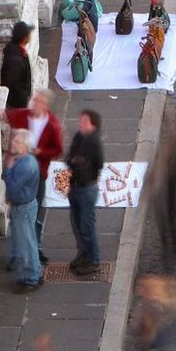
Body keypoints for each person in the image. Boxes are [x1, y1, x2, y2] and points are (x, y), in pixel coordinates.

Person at [7, 89, 64, 265]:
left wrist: (41, 152)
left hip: (38, 173)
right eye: (34, 99)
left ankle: (35, 250)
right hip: (22, 171)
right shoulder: (24, 115)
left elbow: (58, 149)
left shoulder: (52, 124)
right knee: (17, 215)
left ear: (45, 105)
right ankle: (17, 254)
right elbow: (8, 115)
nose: (34, 103)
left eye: (38, 100)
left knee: (34, 214)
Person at [64, 108, 105, 273]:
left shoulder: (94, 142)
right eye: (81, 120)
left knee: (87, 225)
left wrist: (78, 161)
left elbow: (97, 163)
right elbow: (69, 158)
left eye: (85, 121)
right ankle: (83, 253)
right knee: (77, 224)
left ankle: (93, 259)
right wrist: (76, 161)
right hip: (75, 186)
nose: (81, 123)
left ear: (93, 125)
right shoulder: (79, 137)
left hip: (87, 188)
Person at [3, 129, 43, 292]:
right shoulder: (24, 160)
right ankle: (31, 274)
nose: (13, 143)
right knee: (27, 241)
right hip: (24, 205)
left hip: (23, 207)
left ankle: (32, 278)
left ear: (26, 146)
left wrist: (8, 168)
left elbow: (12, 188)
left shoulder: (25, 165)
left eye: (17, 142)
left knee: (28, 244)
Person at [0, 21, 33, 111]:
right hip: (17, 104)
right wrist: (23, 96)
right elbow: (9, 82)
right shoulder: (15, 61)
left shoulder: (15, 50)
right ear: (25, 37)